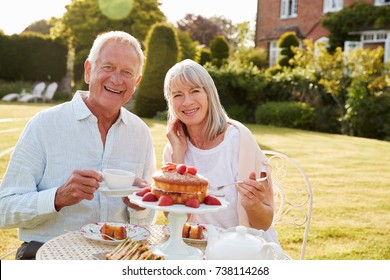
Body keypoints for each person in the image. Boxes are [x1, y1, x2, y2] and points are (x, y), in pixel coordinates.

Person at [0, 31, 157, 259]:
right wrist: (58, 197)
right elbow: (4, 210)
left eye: (127, 72)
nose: (116, 79)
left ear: (136, 83)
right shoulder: (44, 125)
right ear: (88, 70)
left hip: (114, 257)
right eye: (108, 67)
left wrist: (141, 206)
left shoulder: (141, 133)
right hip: (46, 254)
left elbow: (146, 219)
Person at [163, 59, 278, 242]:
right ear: (170, 101)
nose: (187, 101)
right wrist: (178, 158)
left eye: (195, 91)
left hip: (247, 247)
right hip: (198, 249)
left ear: (209, 94)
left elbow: (263, 223)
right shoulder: (173, 149)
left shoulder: (238, 139)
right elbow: (177, 221)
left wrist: (253, 205)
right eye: (177, 94)